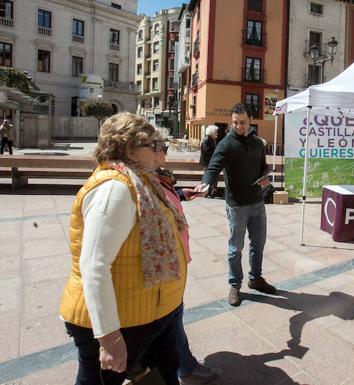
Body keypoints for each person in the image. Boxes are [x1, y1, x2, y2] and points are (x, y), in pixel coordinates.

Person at [59, 113, 188, 384]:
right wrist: (109, 338)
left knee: (163, 374)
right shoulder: (114, 189)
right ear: (129, 148)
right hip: (123, 321)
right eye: (152, 146)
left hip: (148, 312)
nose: (160, 153)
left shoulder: (141, 180)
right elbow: (94, 265)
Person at [194, 103, 275, 307]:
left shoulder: (257, 143)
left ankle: (255, 278)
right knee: (235, 248)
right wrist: (206, 183)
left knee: (258, 244)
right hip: (237, 205)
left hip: (257, 202)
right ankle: (235, 284)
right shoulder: (226, 144)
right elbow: (213, 167)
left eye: (243, 122)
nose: (239, 126)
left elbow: (263, 166)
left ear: (250, 120)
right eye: (235, 123)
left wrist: (265, 177)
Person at [155, 152, 222, 384]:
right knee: (172, 318)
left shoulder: (151, 175)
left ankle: (182, 365)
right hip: (163, 266)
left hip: (173, 261)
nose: (163, 151)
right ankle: (185, 367)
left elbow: (163, 198)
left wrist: (180, 193)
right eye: (156, 146)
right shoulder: (136, 181)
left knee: (174, 317)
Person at [199, 125, 219, 197]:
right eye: (216, 132)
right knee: (208, 176)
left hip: (211, 162)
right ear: (212, 133)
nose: (217, 133)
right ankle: (206, 192)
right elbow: (206, 151)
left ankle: (211, 192)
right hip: (207, 162)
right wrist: (216, 152)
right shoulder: (206, 140)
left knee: (214, 176)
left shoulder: (213, 139)